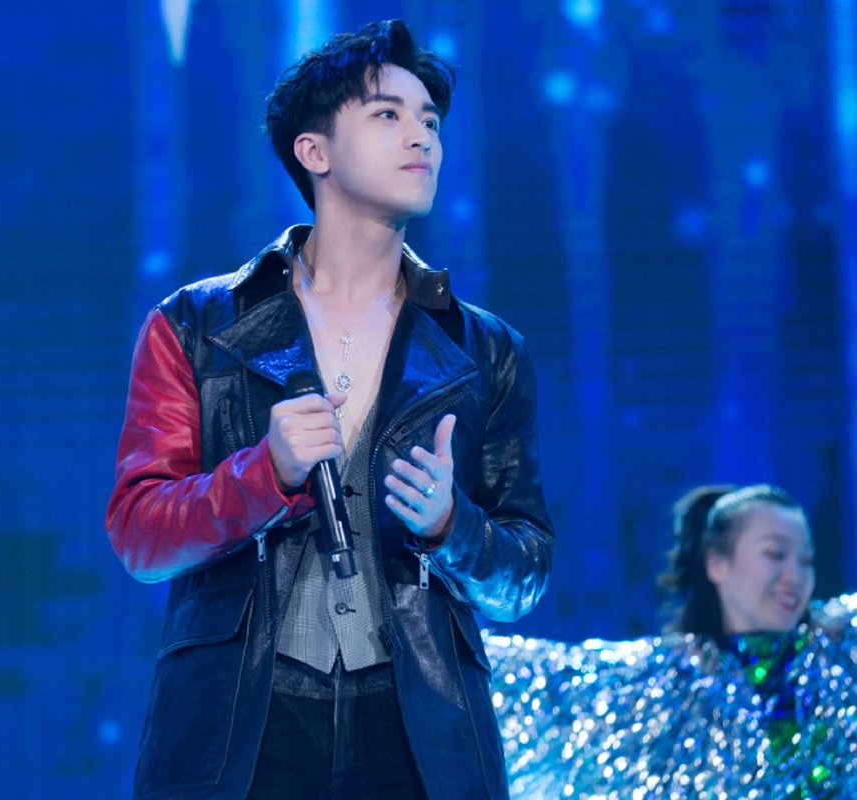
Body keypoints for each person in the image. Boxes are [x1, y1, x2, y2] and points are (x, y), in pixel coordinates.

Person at [105, 18, 555, 800]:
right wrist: (263, 473)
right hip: (242, 722)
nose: (421, 137)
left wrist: (454, 525)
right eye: (388, 115)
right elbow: (141, 535)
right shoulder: (195, 326)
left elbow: (527, 573)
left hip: (420, 730)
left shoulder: (486, 348)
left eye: (430, 121)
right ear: (313, 152)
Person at [486, 484, 857, 799]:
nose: (795, 575)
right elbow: (543, 682)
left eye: (806, 560)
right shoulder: (666, 681)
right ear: (716, 564)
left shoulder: (839, 656)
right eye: (775, 554)